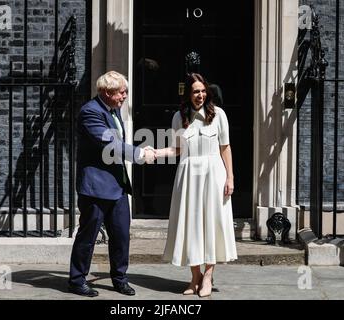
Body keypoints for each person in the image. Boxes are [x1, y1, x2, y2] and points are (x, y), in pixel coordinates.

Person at [68, 71, 155, 297]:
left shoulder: (113, 109)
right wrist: (139, 154)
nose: (125, 96)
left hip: (117, 185)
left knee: (121, 235)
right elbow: (110, 145)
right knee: (88, 236)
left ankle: (120, 278)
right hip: (95, 187)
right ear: (107, 92)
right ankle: (77, 280)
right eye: (121, 92)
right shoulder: (90, 112)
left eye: (125, 91)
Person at [155, 73, 237, 297]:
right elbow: (176, 149)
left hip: (214, 173)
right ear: (188, 95)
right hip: (188, 175)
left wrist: (230, 177)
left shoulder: (218, 114)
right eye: (195, 92)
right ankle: (194, 277)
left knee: (211, 224)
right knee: (191, 225)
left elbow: (225, 147)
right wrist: (155, 152)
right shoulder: (178, 117)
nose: (199, 95)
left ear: (207, 92)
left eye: (202, 91)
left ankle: (208, 276)